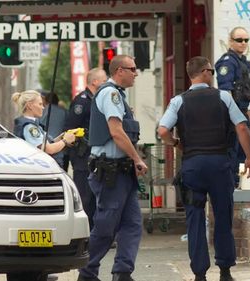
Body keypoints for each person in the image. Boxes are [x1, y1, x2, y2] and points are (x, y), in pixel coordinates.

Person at [157, 56, 250, 281]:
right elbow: (241, 127)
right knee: (223, 216)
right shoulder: (223, 97)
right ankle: (225, 271)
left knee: (195, 218)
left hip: (192, 165)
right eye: (211, 70)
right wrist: (249, 157)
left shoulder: (178, 101)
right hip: (219, 164)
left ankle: (200, 274)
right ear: (204, 72)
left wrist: (177, 144)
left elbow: (163, 130)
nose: (213, 74)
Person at [77, 55, 148, 281]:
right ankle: (87, 273)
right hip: (111, 172)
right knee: (107, 226)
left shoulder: (118, 95)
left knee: (133, 224)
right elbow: (116, 132)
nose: (136, 73)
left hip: (121, 171)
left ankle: (122, 272)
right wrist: (137, 158)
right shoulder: (111, 94)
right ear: (119, 71)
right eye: (132, 69)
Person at [215, 26, 250, 187]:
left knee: (244, 153)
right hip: (234, 116)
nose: (243, 43)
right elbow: (225, 91)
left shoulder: (239, 61)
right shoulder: (227, 62)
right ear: (230, 41)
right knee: (234, 152)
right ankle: (231, 186)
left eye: (246, 40)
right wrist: (234, 117)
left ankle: (239, 186)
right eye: (239, 40)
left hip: (241, 113)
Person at [64, 68, 108, 229]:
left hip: (95, 156)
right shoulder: (82, 102)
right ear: (94, 82)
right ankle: (84, 232)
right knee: (85, 197)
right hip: (83, 157)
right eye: (104, 80)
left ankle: (95, 232)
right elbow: (70, 129)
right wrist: (74, 156)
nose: (106, 82)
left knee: (96, 196)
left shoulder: (97, 99)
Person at [11, 90, 75, 156]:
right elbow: (49, 149)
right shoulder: (30, 127)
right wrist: (65, 140)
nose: (43, 107)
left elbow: (45, 144)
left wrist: (60, 138)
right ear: (29, 105)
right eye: (40, 104)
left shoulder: (31, 124)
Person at [39, 91, 69, 170]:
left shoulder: (43, 111)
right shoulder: (64, 112)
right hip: (61, 147)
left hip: (44, 147)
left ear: (46, 100)